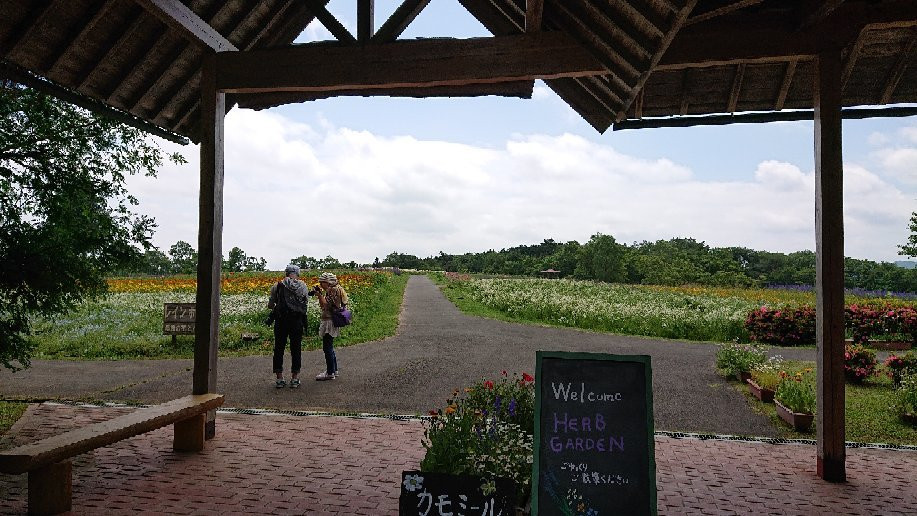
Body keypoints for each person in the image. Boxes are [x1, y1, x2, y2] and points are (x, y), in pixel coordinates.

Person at [268, 264, 309, 388]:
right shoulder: (303, 286)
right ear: (298, 273)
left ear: (286, 273)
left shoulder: (278, 285)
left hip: (281, 321)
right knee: (296, 348)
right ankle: (295, 378)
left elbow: (270, 304)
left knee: (279, 348)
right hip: (297, 321)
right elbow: (305, 302)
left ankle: (279, 379)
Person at [314, 271, 347, 381]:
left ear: (327, 282)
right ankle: (334, 370)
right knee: (330, 346)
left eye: (321, 282)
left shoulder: (332, 291)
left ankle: (330, 372)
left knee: (327, 347)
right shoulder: (338, 288)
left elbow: (325, 306)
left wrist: (319, 295)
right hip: (333, 320)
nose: (320, 285)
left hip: (329, 321)